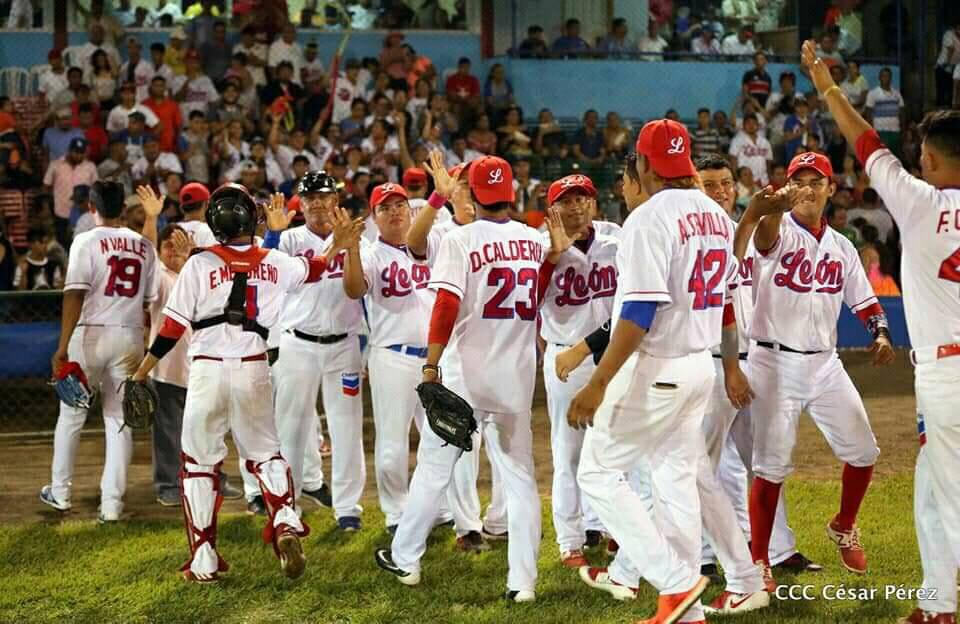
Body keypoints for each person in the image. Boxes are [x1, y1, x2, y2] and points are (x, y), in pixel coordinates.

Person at [127, 184, 361, 583]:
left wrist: (142, 370)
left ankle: (204, 559)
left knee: (199, 465)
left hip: (207, 371)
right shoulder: (276, 261)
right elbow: (316, 270)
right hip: (254, 367)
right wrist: (336, 245)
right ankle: (285, 520)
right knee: (267, 455)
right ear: (252, 220)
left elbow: (171, 328)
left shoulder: (198, 265)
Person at [807, 33, 960, 624]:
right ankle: (934, 602)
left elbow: (864, 141)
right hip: (942, 370)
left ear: (930, 159)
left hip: (946, 372)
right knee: (929, 486)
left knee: (948, 492)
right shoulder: (923, 194)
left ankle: (945, 606)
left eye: (922, 151)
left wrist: (825, 82)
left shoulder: (919, 201)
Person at [375, 155, 569, 601]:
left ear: (475, 195)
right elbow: (536, 295)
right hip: (516, 381)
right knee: (520, 479)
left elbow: (445, 304)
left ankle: (405, 560)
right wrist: (553, 258)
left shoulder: (461, 240)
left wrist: (430, 363)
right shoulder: (531, 240)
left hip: (466, 377)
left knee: (433, 470)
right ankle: (523, 583)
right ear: (511, 194)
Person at [566, 119, 736, 624]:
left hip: (658, 367)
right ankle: (685, 613)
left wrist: (597, 384)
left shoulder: (647, 218)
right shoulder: (717, 215)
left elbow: (639, 313)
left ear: (644, 163)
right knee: (675, 478)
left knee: (596, 472)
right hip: (698, 366)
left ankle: (677, 581)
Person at [734, 150, 894, 590]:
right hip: (773, 362)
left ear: (830, 188)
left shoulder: (842, 247)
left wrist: (880, 334)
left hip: (825, 363)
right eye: (798, 181)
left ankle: (843, 524)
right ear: (788, 187)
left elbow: (866, 303)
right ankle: (759, 560)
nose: (807, 188)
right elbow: (763, 235)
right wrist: (773, 206)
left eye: (815, 181)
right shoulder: (777, 230)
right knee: (771, 466)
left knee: (864, 451)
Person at [41, 182, 159, 522]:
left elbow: (74, 293)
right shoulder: (143, 245)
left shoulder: (86, 240)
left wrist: (62, 347)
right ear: (123, 207)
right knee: (119, 421)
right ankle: (111, 505)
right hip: (130, 335)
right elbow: (149, 300)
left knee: (72, 416)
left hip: (90, 335)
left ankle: (60, 493)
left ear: (92, 206)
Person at [268, 172, 368, 529]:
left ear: (335, 200)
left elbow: (364, 291)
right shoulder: (290, 239)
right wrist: (274, 232)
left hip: (344, 344)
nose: (318, 204)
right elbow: (268, 271)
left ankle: (347, 509)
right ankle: (287, 505)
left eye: (324, 196)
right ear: (301, 203)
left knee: (347, 429)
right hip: (298, 344)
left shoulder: (357, 234)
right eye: (310, 198)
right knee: (290, 429)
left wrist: (366, 347)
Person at [535, 174, 619, 567]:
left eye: (582, 197)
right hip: (568, 359)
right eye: (566, 200)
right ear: (552, 208)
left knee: (616, 448)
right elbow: (526, 302)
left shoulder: (615, 237)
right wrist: (552, 258)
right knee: (568, 452)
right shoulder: (538, 244)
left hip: (616, 355)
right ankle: (569, 540)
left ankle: (605, 526)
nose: (576, 206)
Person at [43, 137, 98, 246]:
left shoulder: (90, 166)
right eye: (76, 152)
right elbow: (46, 186)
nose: (79, 156)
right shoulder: (55, 165)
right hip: (61, 213)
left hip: (84, 215)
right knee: (63, 244)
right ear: (69, 150)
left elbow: (96, 189)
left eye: (81, 153)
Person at [864, 67, 904, 157]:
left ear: (891, 78)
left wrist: (902, 130)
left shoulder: (897, 94)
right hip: (880, 131)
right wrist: (871, 132)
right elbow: (868, 113)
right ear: (879, 78)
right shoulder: (873, 93)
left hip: (895, 130)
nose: (886, 78)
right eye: (884, 76)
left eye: (888, 76)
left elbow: (902, 113)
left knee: (894, 157)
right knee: (881, 157)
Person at [729, 113, 772, 186]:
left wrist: (768, 178)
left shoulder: (765, 142)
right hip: (744, 181)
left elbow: (768, 162)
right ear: (743, 125)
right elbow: (733, 162)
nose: (751, 125)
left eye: (754, 123)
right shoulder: (737, 140)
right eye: (748, 123)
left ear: (758, 125)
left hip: (763, 181)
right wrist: (737, 180)